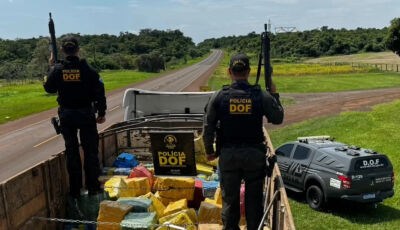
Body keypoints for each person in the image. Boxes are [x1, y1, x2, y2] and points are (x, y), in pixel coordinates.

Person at [203, 53, 284, 230]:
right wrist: (274, 93)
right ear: (248, 71)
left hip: (229, 156)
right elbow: (278, 118)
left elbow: (208, 127)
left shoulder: (219, 96)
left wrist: (209, 151)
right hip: (254, 157)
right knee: (253, 202)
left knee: (230, 202)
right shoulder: (260, 95)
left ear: (229, 71)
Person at [43, 36, 107, 199]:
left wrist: (51, 67)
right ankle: (93, 187)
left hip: (67, 116)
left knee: (72, 152)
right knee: (90, 151)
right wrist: (101, 113)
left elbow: (48, 88)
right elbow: (100, 91)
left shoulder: (58, 69)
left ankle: (75, 190)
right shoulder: (88, 69)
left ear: (63, 51)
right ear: (78, 50)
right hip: (86, 114)